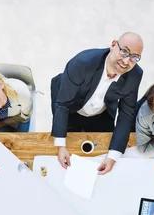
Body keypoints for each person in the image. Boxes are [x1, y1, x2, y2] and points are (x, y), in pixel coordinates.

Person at [51, 32, 144, 175]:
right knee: (66, 158)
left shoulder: (135, 75)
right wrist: (61, 146)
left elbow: (126, 114)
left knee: (100, 153)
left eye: (134, 57)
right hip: (71, 106)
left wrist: (113, 157)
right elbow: (63, 104)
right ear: (113, 45)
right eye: (124, 51)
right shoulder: (82, 63)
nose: (126, 61)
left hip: (102, 111)